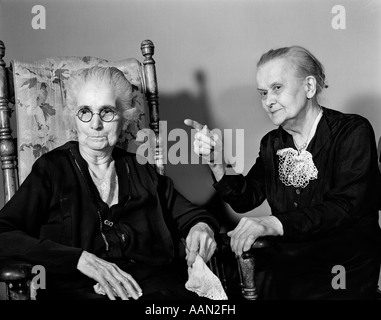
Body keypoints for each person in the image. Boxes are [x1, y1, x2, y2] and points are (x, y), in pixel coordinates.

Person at [0, 66, 219, 300]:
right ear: (73, 117)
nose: (95, 124)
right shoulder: (51, 169)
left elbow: (192, 216)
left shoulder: (141, 169)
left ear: (124, 118)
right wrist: (77, 258)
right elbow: (3, 234)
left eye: (106, 112)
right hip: (79, 293)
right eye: (85, 112)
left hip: (158, 291)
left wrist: (201, 228)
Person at [185, 45, 381, 300]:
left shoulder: (352, 131)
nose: (268, 101)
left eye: (277, 88)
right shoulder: (272, 143)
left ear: (309, 87)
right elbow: (246, 198)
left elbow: (344, 207)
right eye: (263, 93)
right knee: (217, 280)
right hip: (291, 259)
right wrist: (218, 162)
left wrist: (272, 223)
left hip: (342, 265)